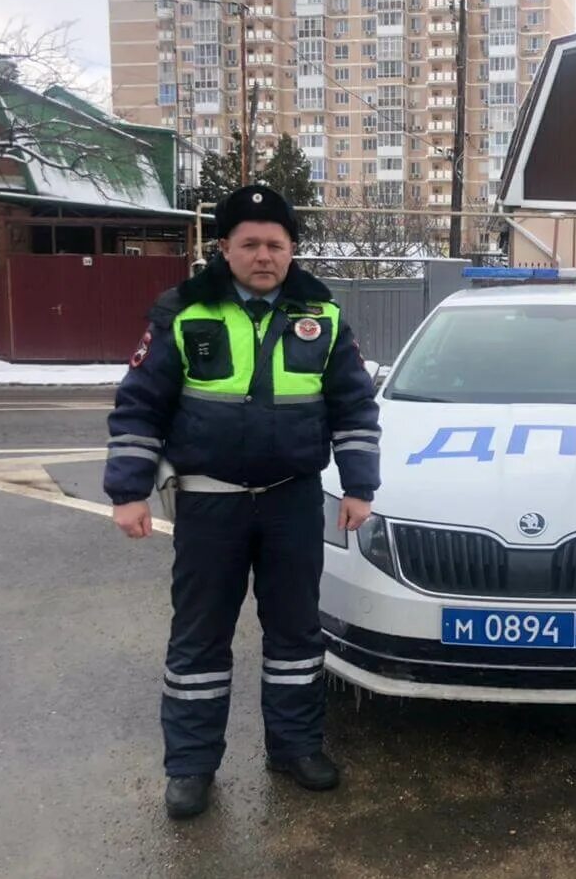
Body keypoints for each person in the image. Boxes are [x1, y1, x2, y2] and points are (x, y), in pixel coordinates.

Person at [103, 184, 381, 819]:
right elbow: (140, 405)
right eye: (250, 243)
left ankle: (295, 748)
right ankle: (192, 767)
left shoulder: (323, 316)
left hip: (291, 502)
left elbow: (354, 408)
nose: (263, 255)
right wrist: (129, 491)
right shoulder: (182, 312)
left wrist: (360, 485)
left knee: (295, 635)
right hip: (209, 505)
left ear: (291, 251)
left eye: (275, 244)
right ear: (223, 247)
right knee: (199, 640)